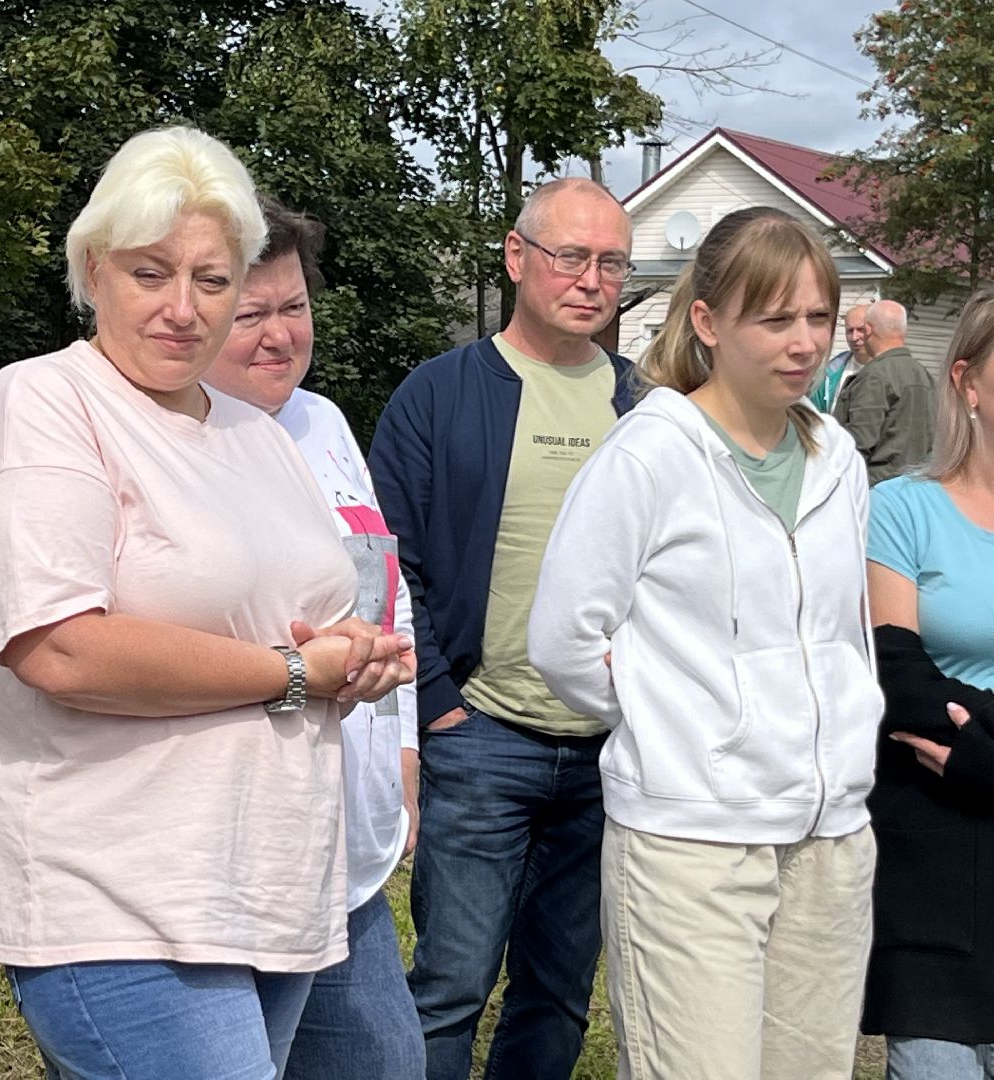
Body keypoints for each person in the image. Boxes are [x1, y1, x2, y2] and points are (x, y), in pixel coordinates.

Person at [0, 126, 414, 1080]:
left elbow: (297, 613)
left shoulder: (255, 432)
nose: (183, 308)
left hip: (270, 889)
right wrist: (297, 672)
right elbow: (61, 649)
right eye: (150, 273)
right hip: (123, 901)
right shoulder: (42, 403)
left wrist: (355, 659)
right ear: (93, 268)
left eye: (211, 279)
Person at [529, 206, 883, 1080]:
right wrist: (680, 721)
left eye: (819, 317)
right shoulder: (650, 454)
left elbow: (844, 634)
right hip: (691, 846)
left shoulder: (840, 458)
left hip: (830, 842)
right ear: (708, 322)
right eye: (775, 318)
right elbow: (563, 639)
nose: (804, 342)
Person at [368, 177, 638, 1080]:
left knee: (559, 991)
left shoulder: (648, 407)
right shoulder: (439, 394)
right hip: (482, 734)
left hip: (610, 748)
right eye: (571, 256)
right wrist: (439, 702)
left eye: (611, 263)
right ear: (518, 257)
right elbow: (390, 561)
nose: (591, 281)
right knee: (450, 983)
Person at [201, 196, 424, 1080]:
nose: (279, 336)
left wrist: (401, 758)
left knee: (386, 1063)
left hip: (345, 859)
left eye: (293, 307)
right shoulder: (157, 436)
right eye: (249, 314)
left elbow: (385, 599)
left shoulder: (323, 422)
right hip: (228, 859)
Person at [860, 287, 994, 1078]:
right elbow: (900, 682)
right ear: (967, 381)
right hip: (932, 857)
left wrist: (986, 754)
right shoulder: (901, 508)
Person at [834, 299, 935, 483]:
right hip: (917, 486)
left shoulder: (875, 376)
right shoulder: (924, 375)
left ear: (868, 330)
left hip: (876, 487)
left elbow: (858, 442)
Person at [809, 302, 870, 412]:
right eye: (850, 331)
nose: (854, 337)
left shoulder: (891, 370)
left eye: (861, 330)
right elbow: (815, 413)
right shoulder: (831, 371)